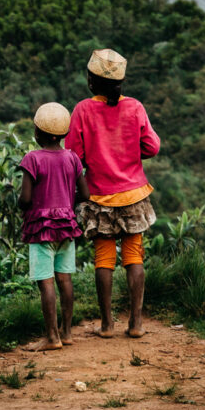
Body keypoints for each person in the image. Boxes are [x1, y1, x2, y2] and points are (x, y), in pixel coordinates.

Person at [65, 49, 160, 338]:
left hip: (99, 196)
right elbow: (152, 147)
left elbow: (74, 155)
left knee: (104, 259)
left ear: (91, 82)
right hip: (133, 194)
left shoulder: (82, 110)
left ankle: (107, 325)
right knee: (134, 257)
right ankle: (136, 324)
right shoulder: (135, 107)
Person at [18, 101, 88, 352]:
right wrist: (65, 203)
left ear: (37, 133)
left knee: (46, 282)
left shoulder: (32, 159)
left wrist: (23, 205)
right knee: (64, 279)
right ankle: (67, 333)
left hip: (41, 229)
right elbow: (86, 194)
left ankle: (51, 337)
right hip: (66, 227)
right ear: (65, 133)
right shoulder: (72, 158)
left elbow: (25, 199)